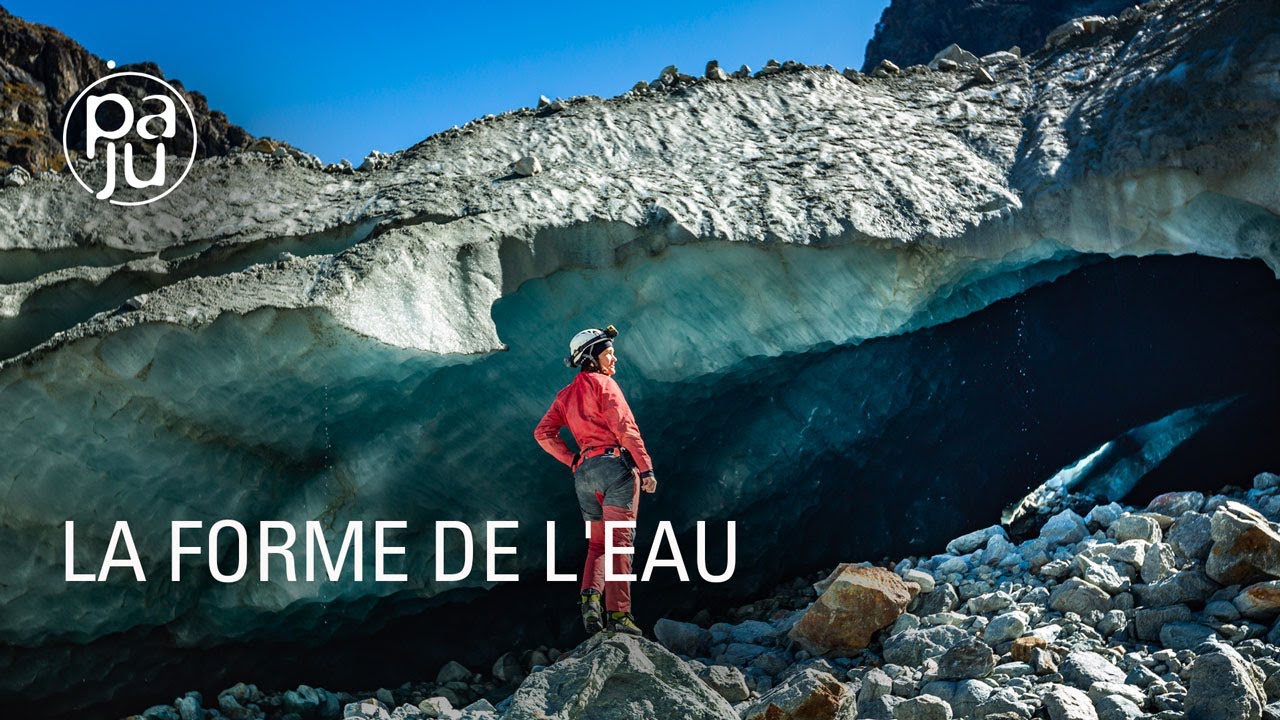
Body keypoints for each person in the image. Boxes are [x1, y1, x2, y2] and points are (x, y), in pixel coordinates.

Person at [534, 325, 657, 636]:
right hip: (615, 468)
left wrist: (573, 460)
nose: (614, 359)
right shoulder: (605, 385)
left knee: (598, 545)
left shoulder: (564, 396)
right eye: (608, 353)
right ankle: (620, 616)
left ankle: (590, 601)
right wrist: (646, 469)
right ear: (592, 356)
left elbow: (543, 433)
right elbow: (625, 428)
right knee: (620, 546)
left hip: (585, 475)